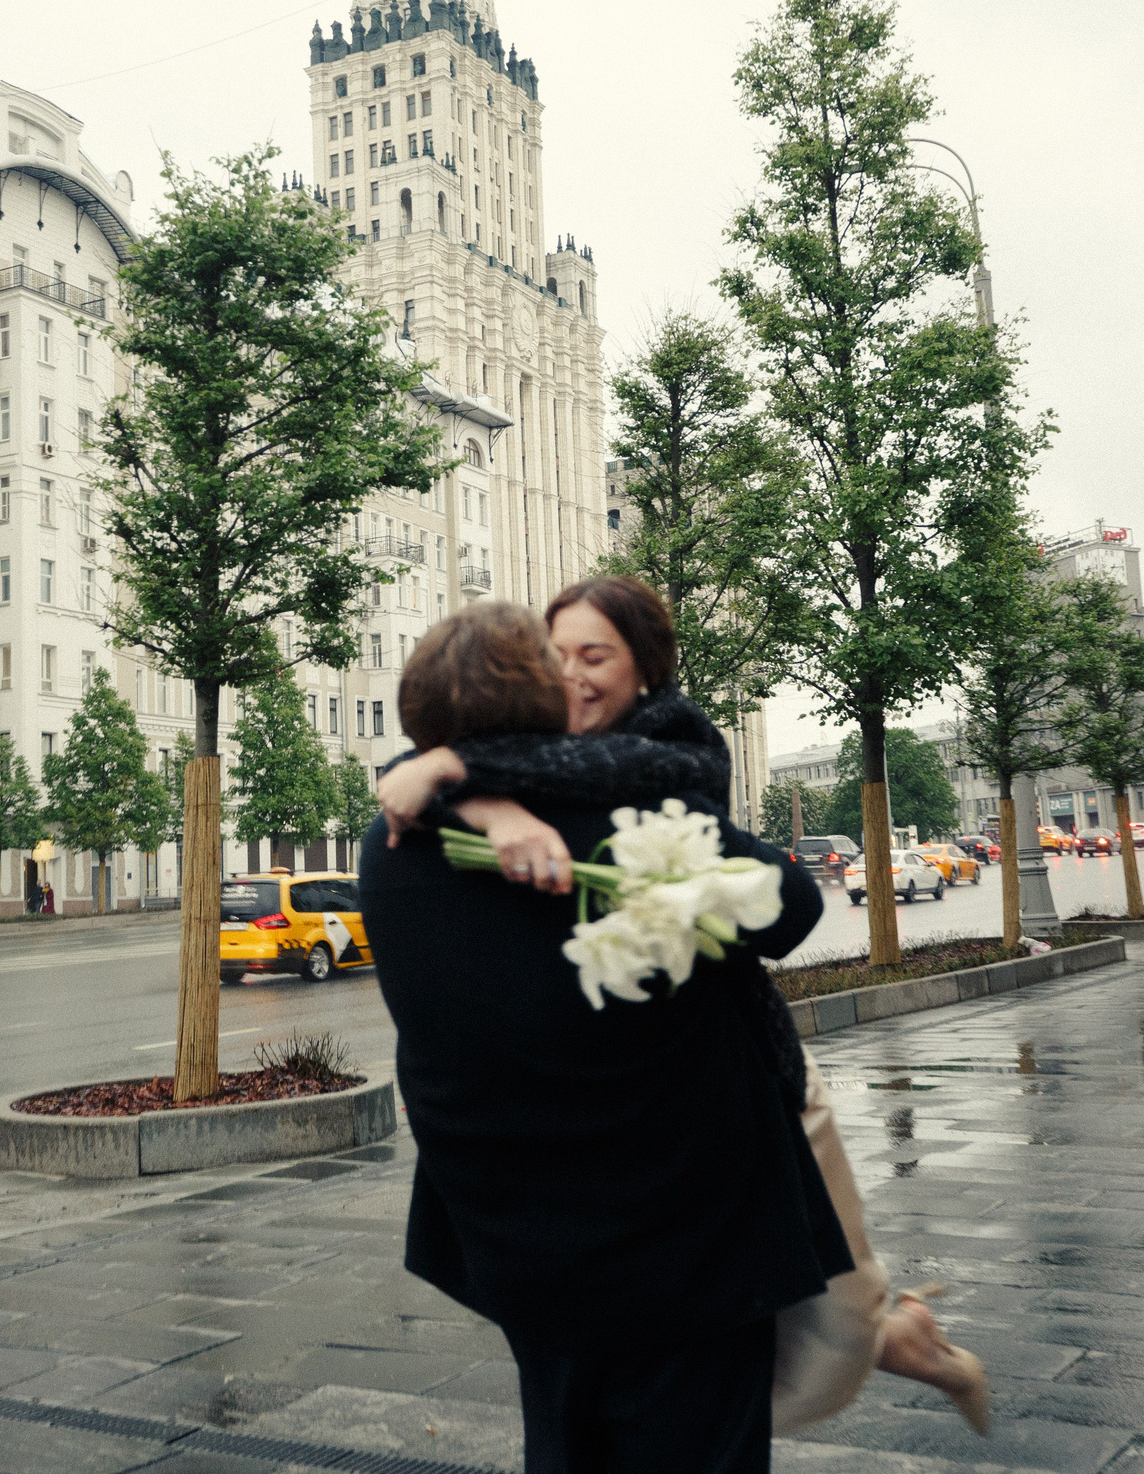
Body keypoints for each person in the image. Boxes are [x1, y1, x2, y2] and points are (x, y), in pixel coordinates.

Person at [375, 578, 984, 1451]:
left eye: (598, 657)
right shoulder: (571, 814)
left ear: (646, 674)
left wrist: (458, 772)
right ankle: (894, 1339)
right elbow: (786, 909)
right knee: (724, 1403)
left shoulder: (646, 773)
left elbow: (756, 888)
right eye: (559, 658)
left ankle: (897, 1337)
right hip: (673, 1221)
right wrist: (468, 783)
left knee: (815, 1323)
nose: (576, 676)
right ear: (535, 683)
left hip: (538, 1229)